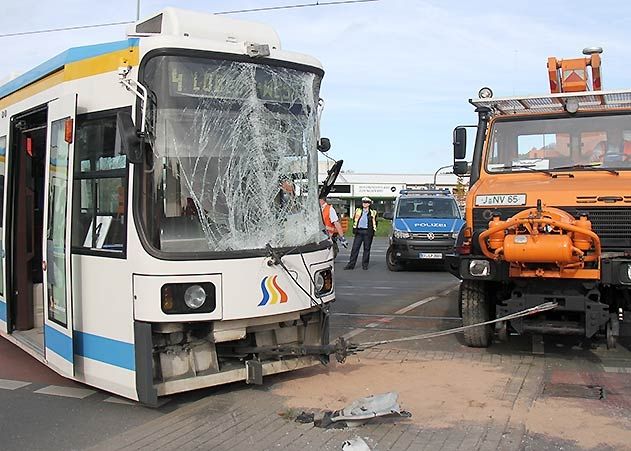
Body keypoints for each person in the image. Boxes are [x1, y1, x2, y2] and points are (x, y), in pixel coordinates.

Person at [344, 197, 378, 270]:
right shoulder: (358, 210)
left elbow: (375, 221)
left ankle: (365, 265)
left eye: (366, 202)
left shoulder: (373, 212)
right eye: (363, 202)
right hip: (359, 231)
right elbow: (355, 219)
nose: (364, 204)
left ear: (369, 204)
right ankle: (351, 265)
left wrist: (373, 230)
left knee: (366, 249)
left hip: (368, 232)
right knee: (355, 248)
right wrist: (355, 228)